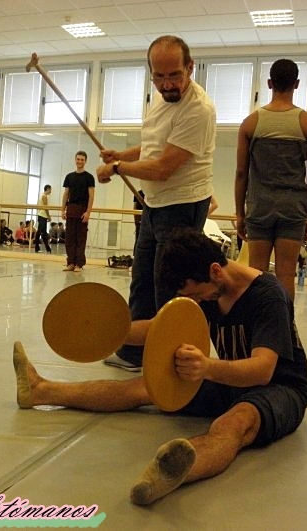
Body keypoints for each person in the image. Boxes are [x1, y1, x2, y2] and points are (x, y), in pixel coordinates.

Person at [13, 228, 307, 506]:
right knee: (146, 386)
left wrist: (206, 367)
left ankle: (166, 476)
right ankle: (41, 390)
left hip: (280, 387)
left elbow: (262, 370)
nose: (197, 301)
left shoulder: (268, 295)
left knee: (235, 422)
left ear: (215, 270)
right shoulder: (208, 288)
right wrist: (109, 332)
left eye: (196, 294)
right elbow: (158, 328)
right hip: (230, 378)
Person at [96, 35, 216, 370]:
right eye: (159, 77)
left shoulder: (198, 109)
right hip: (155, 204)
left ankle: (168, 363)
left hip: (182, 205)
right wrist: (122, 154)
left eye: (174, 75)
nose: (167, 84)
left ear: (190, 67)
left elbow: (163, 168)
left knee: (170, 288)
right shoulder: (161, 100)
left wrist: (117, 168)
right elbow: (154, 147)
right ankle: (135, 354)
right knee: (142, 279)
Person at [235, 59, 307, 301]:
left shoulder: (250, 123)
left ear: (269, 83)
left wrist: (240, 214)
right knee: (286, 274)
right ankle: (286, 322)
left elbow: (241, 173)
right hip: (293, 208)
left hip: (259, 207)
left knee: (257, 274)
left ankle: (259, 322)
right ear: (297, 84)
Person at [61, 151, 95, 272]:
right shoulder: (69, 177)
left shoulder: (89, 177)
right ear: (75, 160)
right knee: (70, 238)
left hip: (82, 210)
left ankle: (79, 264)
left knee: (80, 238)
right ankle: (70, 262)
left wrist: (88, 212)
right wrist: (63, 210)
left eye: (82, 159)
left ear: (85, 161)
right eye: (78, 159)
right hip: (71, 209)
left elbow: (91, 196)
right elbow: (66, 194)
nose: (79, 161)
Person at [35, 184, 52, 253]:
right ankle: (39, 247)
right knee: (40, 232)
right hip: (42, 215)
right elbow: (45, 208)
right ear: (47, 189)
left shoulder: (42, 195)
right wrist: (48, 216)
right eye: (50, 189)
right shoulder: (44, 196)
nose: (51, 191)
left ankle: (47, 248)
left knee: (43, 232)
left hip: (42, 215)